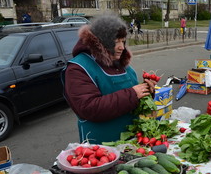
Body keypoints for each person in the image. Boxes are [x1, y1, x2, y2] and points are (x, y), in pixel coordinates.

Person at [62, 14, 156, 144]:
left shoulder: (121, 64)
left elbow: (132, 98)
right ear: (101, 41)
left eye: (123, 41)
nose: (122, 47)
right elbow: (89, 108)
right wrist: (133, 94)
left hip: (131, 141)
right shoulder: (78, 68)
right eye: (116, 41)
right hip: (100, 148)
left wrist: (146, 92)